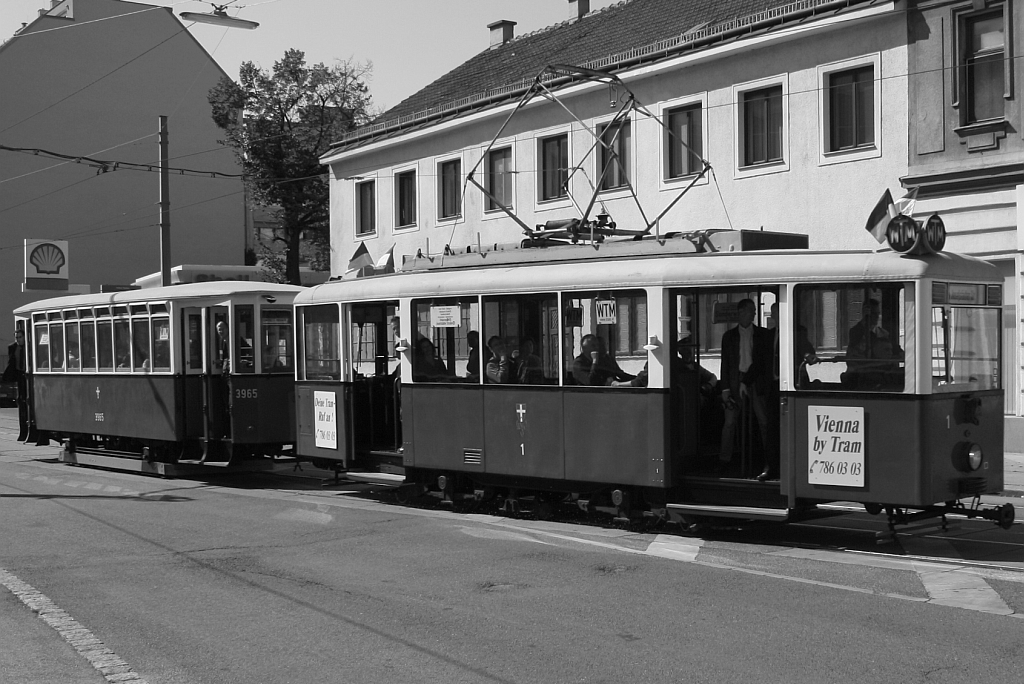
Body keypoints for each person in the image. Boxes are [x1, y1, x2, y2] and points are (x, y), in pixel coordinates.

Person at [718, 298, 773, 477]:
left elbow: (762, 362)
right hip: (735, 382)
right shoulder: (729, 336)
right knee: (729, 422)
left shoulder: (762, 335)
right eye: (751, 310)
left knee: (764, 421)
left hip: (755, 381)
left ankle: (769, 462)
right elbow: (725, 364)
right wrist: (725, 390)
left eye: (755, 311)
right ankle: (724, 461)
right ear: (741, 312)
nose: (754, 314)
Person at [845, 299, 902, 390]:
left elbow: (896, 350)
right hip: (861, 376)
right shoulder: (856, 331)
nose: (876, 317)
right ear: (865, 313)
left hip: (883, 373)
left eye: (877, 314)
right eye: (873, 314)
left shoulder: (884, 333)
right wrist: (864, 321)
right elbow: (855, 342)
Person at [5, 328, 29, 438]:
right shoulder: (13, 347)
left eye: (20, 337)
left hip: (28, 374)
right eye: (16, 338)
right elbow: (11, 362)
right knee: (20, 399)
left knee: (28, 399)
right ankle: (23, 429)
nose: (18, 340)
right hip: (19, 374)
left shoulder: (29, 346)